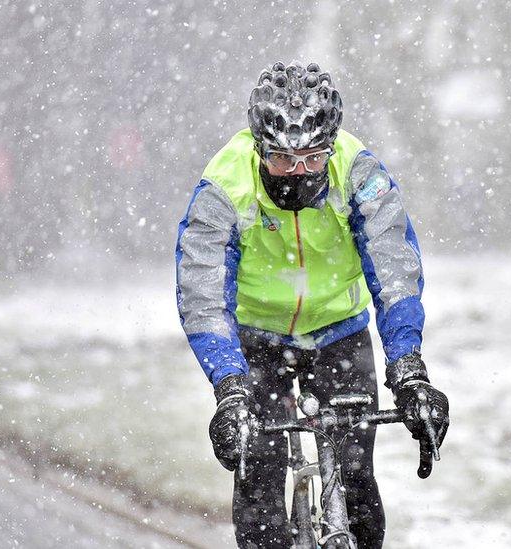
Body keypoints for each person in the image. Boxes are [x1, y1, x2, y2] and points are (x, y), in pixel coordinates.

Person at [175, 61, 450, 549]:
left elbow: (394, 272)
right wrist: (230, 388)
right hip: (257, 338)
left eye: (314, 157)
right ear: (258, 148)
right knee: (259, 479)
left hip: (339, 331)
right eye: (282, 160)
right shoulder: (225, 185)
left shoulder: (358, 171)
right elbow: (203, 294)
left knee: (356, 480)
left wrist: (409, 370)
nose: (299, 172)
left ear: (332, 146)